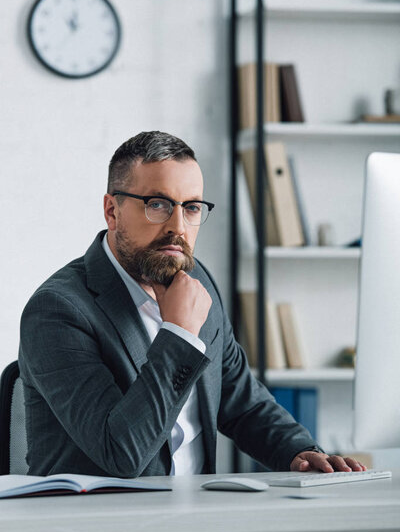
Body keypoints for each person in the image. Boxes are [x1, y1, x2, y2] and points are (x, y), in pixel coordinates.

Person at [18, 131, 365, 477]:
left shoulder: (199, 283)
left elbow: (241, 402)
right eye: (157, 205)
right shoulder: (57, 310)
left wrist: (301, 453)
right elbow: (120, 453)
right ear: (112, 211)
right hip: (101, 522)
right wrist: (180, 335)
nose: (178, 227)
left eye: (192, 207)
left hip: (196, 514)